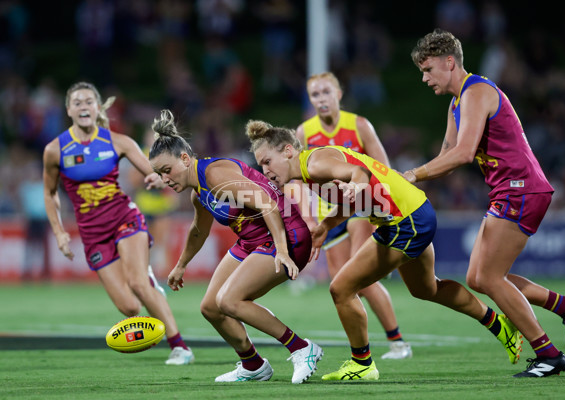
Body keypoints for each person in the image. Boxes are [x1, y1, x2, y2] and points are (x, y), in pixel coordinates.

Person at [246, 119, 522, 381]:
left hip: (405, 221)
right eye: (261, 165)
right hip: (412, 214)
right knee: (426, 289)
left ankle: (362, 363)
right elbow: (356, 198)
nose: (265, 170)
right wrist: (327, 224)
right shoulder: (310, 170)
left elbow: (360, 174)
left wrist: (356, 184)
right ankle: (499, 325)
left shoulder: (315, 164)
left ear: (288, 150)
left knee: (341, 288)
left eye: (267, 161)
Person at [406, 29, 565, 378]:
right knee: (478, 277)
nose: (424, 77)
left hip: (521, 190)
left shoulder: (476, 91)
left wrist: (413, 174)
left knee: (489, 277)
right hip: (509, 191)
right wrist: (400, 181)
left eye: (428, 69)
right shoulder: (457, 102)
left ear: (450, 62)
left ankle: (548, 354)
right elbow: (445, 156)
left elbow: (462, 154)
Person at [148, 109, 323, 384]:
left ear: (184, 159)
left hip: (286, 235)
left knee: (229, 301)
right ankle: (253, 365)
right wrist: (181, 265)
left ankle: (302, 348)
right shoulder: (199, 193)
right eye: (159, 174)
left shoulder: (216, 175)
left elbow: (267, 203)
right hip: (253, 242)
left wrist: (281, 250)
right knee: (210, 307)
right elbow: (198, 230)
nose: (165, 179)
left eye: (167, 170)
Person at [42, 82, 194, 365]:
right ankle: (150, 294)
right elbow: (50, 193)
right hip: (92, 234)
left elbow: (155, 169)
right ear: (68, 110)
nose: (84, 106)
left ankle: (179, 346)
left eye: (89, 101)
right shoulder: (55, 149)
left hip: (125, 218)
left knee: (138, 282)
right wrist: (60, 232)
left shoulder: (118, 142)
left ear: (97, 108)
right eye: (77, 102)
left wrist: (157, 177)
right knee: (129, 306)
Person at [295, 71, 411, 360]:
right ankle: (365, 346)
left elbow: (383, 167)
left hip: (361, 207)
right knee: (341, 284)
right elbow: (296, 178)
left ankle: (397, 342)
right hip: (328, 215)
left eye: (326, 92)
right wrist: (309, 217)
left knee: (359, 277)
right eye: (315, 95)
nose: (321, 99)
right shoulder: (304, 133)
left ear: (339, 94)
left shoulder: (359, 125)